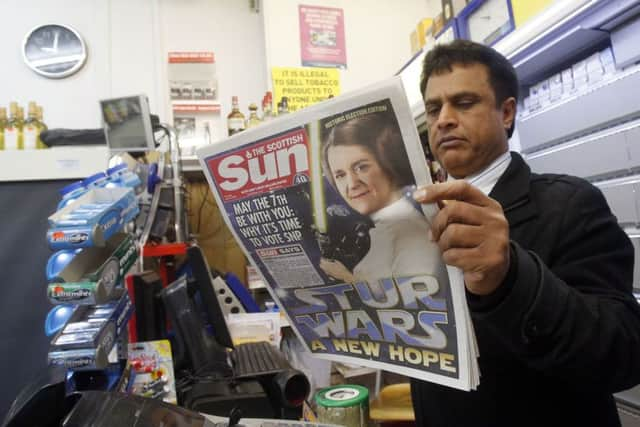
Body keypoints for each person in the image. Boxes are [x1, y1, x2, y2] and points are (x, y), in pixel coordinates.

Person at [411, 39, 640, 426]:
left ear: (506, 112)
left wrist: (510, 280)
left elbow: (624, 354)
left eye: (464, 103)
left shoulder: (571, 204)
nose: (443, 119)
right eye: (434, 108)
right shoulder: (414, 217)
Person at [318, 110, 447, 287]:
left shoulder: (412, 233)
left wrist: (346, 278)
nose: (352, 184)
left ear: (389, 164)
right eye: (340, 175)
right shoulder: (385, 228)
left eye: (361, 167)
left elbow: (419, 300)